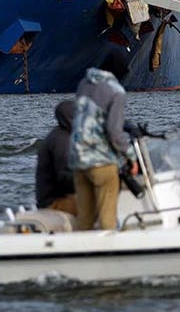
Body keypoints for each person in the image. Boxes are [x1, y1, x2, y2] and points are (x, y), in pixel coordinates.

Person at [69, 49, 136, 230]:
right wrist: (131, 156)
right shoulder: (117, 91)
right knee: (108, 219)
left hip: (77, 159)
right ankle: (110, 255)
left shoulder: (84, 84)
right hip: (101, 160)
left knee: (84, 219)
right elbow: (114, 132)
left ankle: (82, 254)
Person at [35, 99, 77, 214]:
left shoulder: (61, 135)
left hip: (53, 198)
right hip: (54, 202)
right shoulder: (62, 141)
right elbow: (63, 177)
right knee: (97, 202)